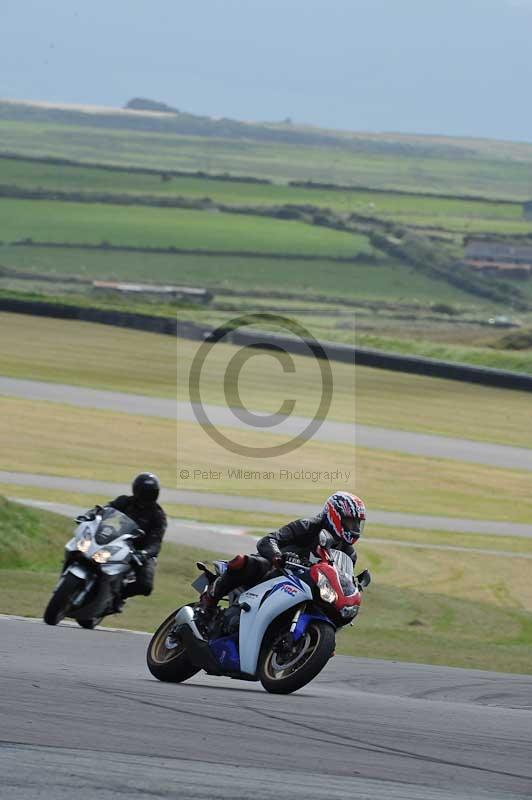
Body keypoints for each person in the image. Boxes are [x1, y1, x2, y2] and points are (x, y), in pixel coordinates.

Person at [199, 491, 367, 613]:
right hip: (277, 572)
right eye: (350, 522)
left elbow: (340, 578)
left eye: (357, 524)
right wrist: (277, 556)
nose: (355, 529)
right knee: (247, 562)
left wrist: (354, 585)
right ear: (334, 515)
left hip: (307, 588)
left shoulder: (349, 553)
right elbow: (268, 540)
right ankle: (210, 599)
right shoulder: (308, 526)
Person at [76, 472, 167, 604]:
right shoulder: (125, 501)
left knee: (145, 585)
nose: (145, 496)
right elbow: (105, 509)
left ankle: (117, 597)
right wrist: (90, 515)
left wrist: (144, 553)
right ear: (136, 490)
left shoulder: (158, 515)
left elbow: (156, 542)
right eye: (143, 491)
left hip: (140, 551)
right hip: (117, 539)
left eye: (149, 492)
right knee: (85, 550)